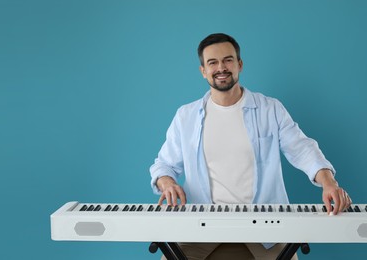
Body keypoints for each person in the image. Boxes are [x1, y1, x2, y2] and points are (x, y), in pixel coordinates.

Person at [149, 33, 352, 260]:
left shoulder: (270, 109)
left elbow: (302, 148)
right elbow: (163, 164)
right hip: (201, 225)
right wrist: (167, 182)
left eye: (228, 60)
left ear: (239, 64)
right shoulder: (185, 116)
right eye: (212, 63)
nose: (221, 68)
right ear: (203, 71)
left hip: (265, 224)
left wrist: (328, 182)